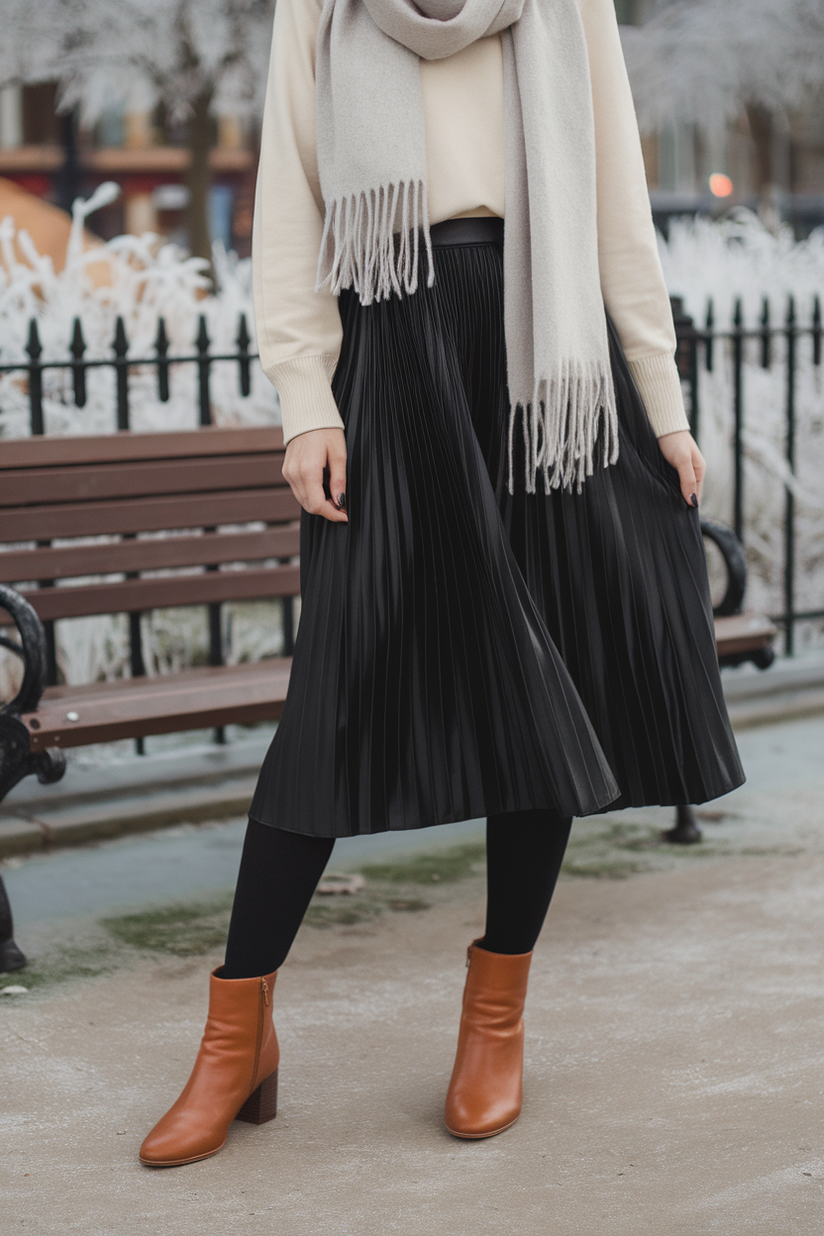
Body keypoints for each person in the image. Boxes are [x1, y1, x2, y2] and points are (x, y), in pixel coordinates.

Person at [139, 0, 744, 1167]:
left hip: (546, 358)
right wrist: (305, 402)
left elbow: (617, 208)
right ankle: (235, 1032)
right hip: (395, 344)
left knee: (545, 669)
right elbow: (289, 210)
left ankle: (494, 1021)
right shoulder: (323, 6)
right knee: (338, 692)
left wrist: (660, 408)